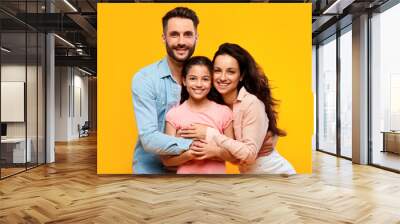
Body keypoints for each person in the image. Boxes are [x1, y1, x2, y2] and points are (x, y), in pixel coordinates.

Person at [179, 43, 296, 175]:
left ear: (241, 76)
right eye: (217, 70)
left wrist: (211, 134)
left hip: (275, 173)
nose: (222, 77)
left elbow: (249, 155)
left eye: (231, 71)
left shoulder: (251, 103)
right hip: (249, 176)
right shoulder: (216, 104)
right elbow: (235, 155)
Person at [130, 7, 200, 174]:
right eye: (174, 34)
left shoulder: (206, 79)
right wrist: (196, 145)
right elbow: (148, 139)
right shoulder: (145, 78)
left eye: (188, 34)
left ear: (196, 37)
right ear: (164, 38)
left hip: (195, 169)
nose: (181, 41)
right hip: (151, 171)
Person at [160, 56, 235, 174]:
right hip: (184, 187)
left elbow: (233, 155)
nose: (199, 84)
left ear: (211, 82)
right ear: (184, 81)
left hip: (217, 186)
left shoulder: (224, 112)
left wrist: (214, 152)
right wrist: (189, 154)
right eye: (193, 78)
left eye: (205, 79)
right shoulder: (174, 115)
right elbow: (167, 160)